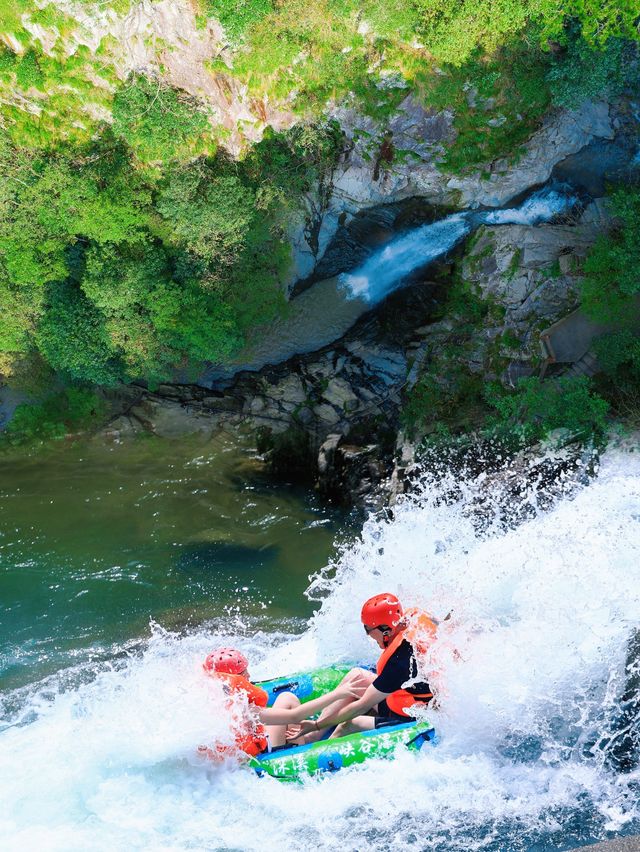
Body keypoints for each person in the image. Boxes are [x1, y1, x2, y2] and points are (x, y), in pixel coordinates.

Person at [297, 593, 437, 740]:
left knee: (349, 723)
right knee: (357, 676)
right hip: (410, 699)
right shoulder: (413, 621)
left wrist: (317, 724)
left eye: (368, 629)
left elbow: (361, 706)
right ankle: (311, 736)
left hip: (413, 718)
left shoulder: (398, 663)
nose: (368, 634)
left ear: (386, 630)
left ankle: (319, 753)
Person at [199, 647, 360, 760]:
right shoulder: (245, 709)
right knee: (288, 701)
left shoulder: (210, 702)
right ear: (234, 679)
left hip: (246, 747)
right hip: (260, 751)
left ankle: (304, 736)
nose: (248, 674)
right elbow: (295, 715)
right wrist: (337, 694)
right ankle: (299, 750)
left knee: (286, 698)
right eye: (242, 673)